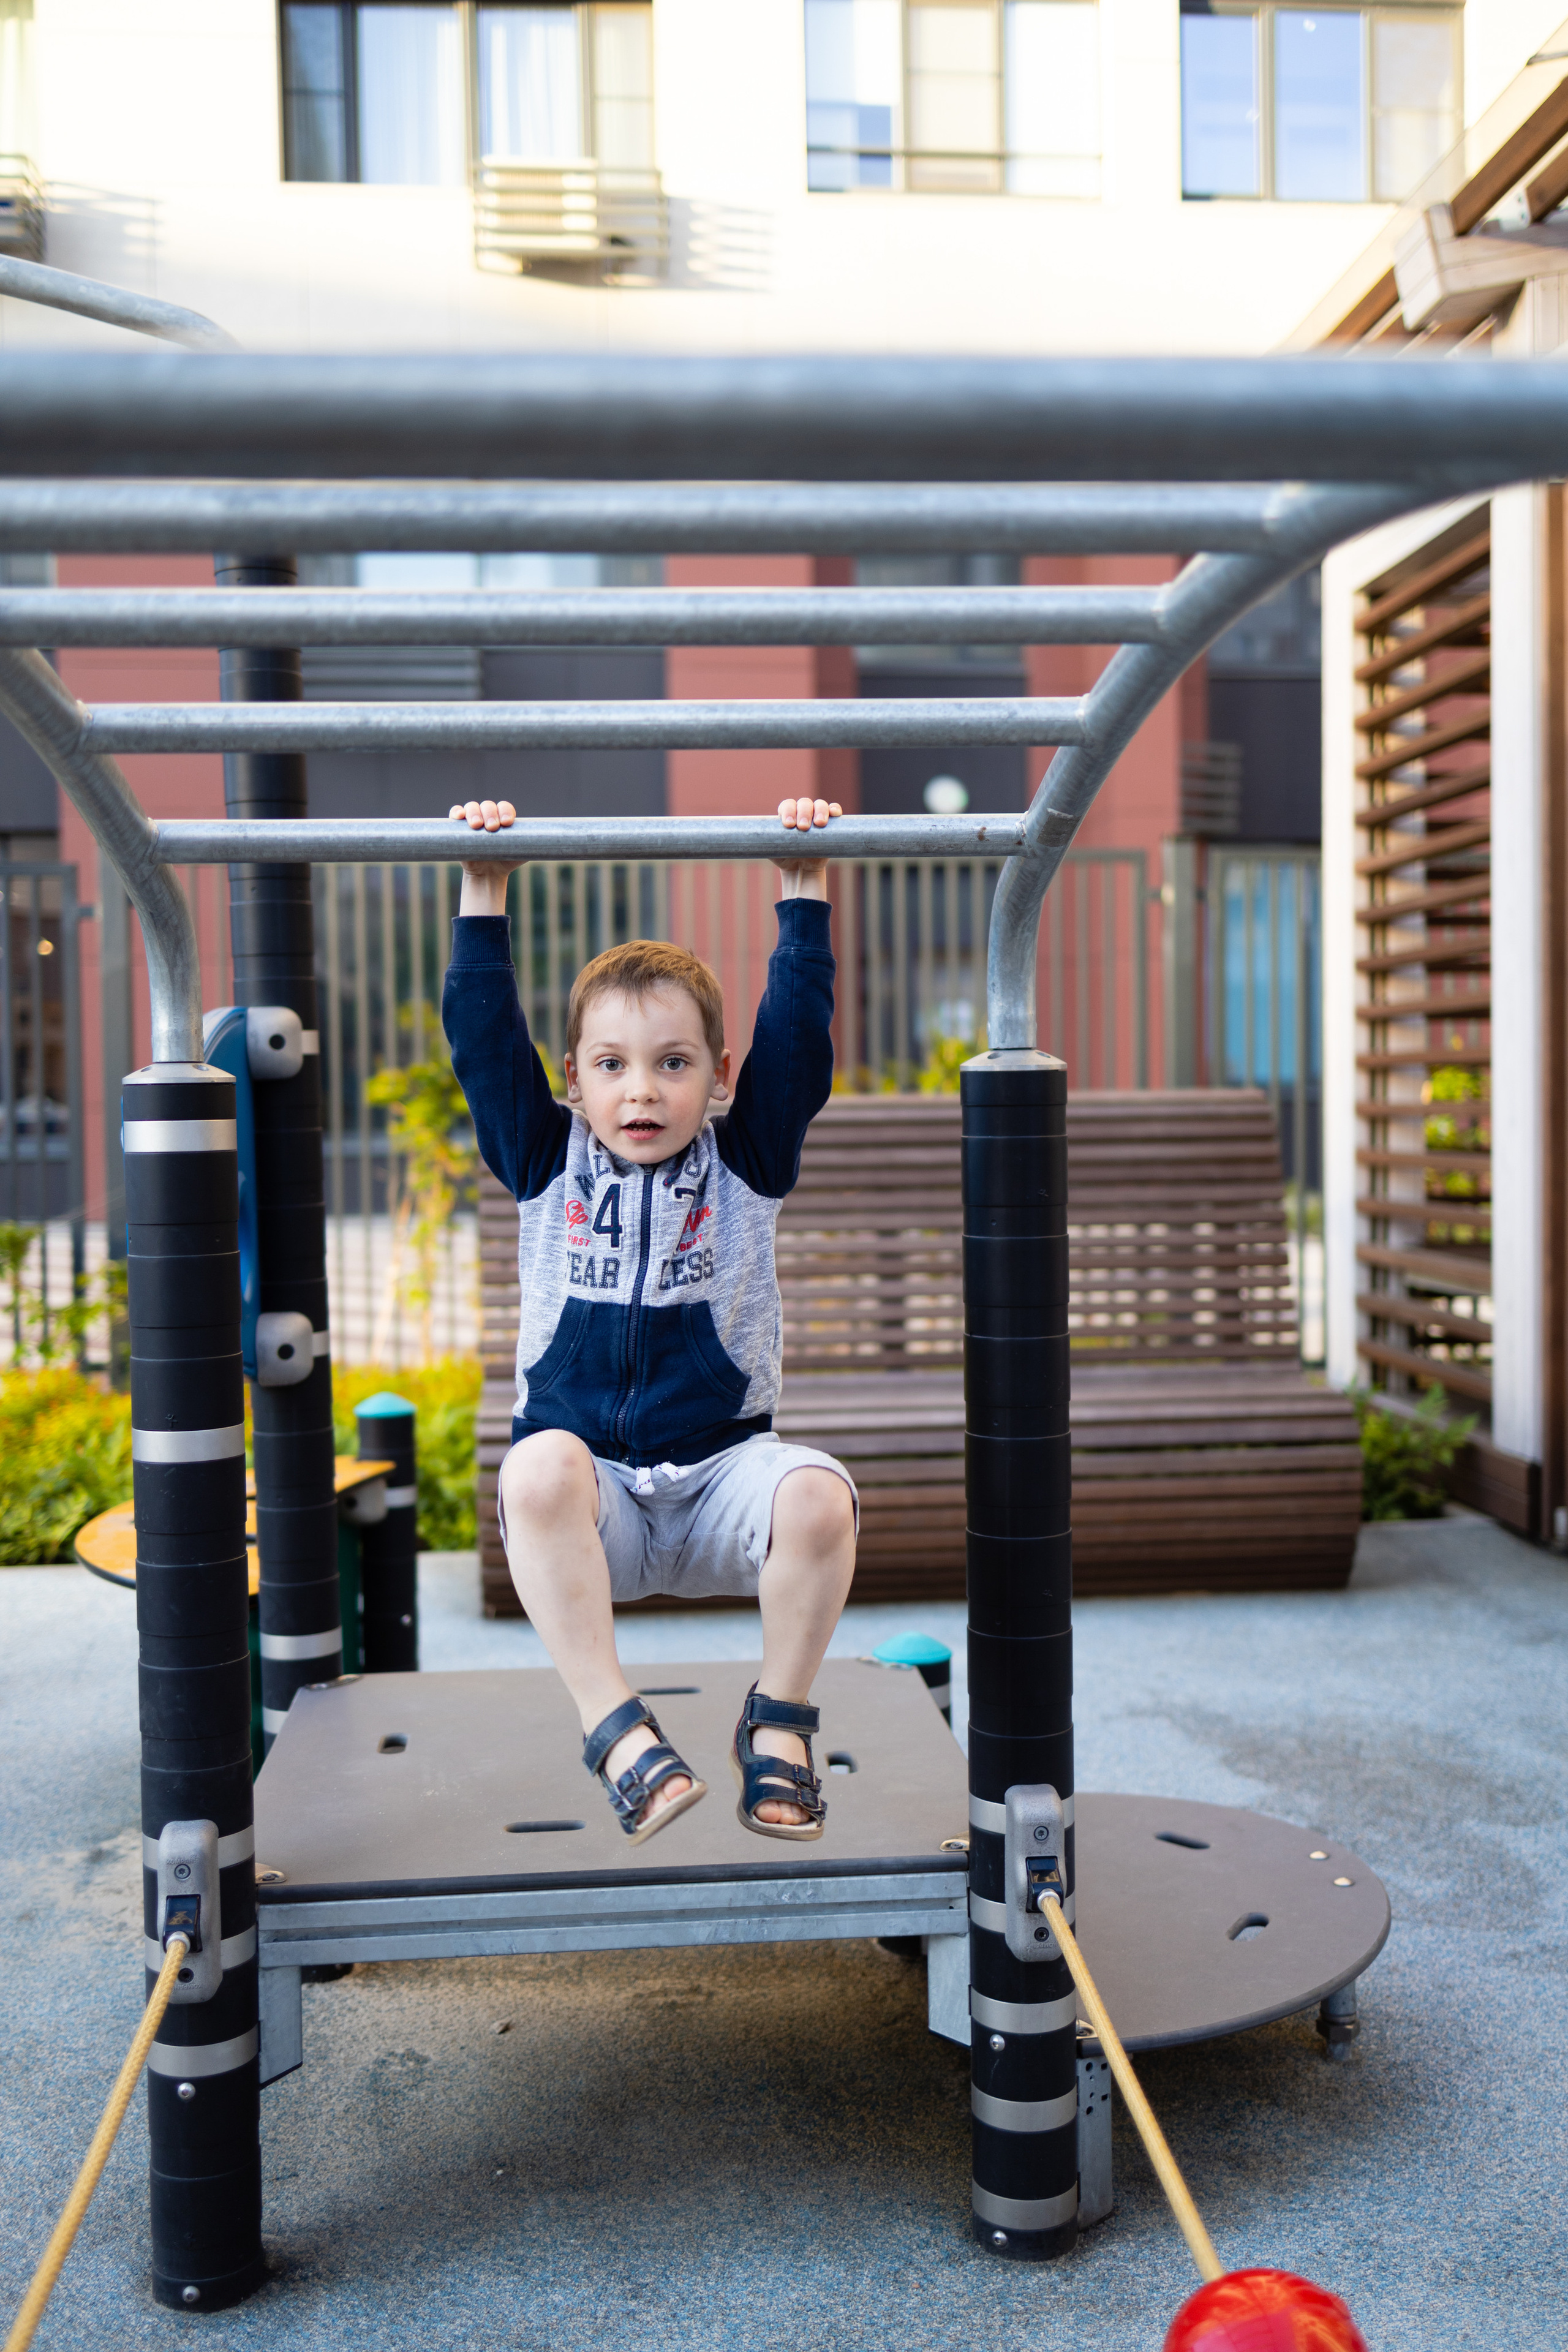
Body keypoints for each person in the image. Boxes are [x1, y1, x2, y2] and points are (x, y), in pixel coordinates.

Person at [442, 794, 859, 1847]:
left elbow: (797, 1044)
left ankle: (779, 1718)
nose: (642, 1091)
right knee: (534, 1466)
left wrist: (802, 884)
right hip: (598, 1505)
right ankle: (616, 1728)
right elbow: (485, 1045)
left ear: (719, 1078)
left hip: (722, 1481)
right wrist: (482, 886)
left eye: (674, 1063)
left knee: (820, 1496)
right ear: (573, 1081)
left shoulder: (745, 1162)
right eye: (613, 1065)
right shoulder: (545, 1161)